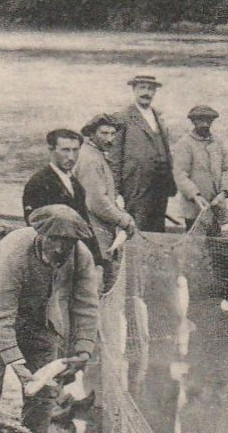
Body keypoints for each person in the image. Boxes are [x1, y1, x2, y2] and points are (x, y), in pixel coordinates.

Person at [0, 204, 101, 433]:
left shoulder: (81, 256)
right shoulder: (15, 253)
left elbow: (86, 305)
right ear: (40, 234)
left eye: (69, 242)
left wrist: (83, 351)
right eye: (54, 240)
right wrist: (16, 362)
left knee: (45, 393)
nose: (60, 248)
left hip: (40, 323)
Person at [76, 114, 138, 292]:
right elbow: (96, 202)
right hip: (94, 234)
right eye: (104, 133)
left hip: (99, 233)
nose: (110, 139)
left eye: (113, 134)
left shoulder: (96, 155)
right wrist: (124, 220)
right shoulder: (91, 159)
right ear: (91, 133)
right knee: (96, 285)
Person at [110, 74, 175, 233]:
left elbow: (165, 149)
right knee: (136, 226)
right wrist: (115, 191)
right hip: (135, 184)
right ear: (134, 90)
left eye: (151, 89)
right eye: (142, 88)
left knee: (157, 227)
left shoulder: (158, 117)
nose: (146, 92)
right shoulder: (122, 117)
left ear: (155, 92)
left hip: (159, 184)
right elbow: (115, 157)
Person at [172, 104, 228, 236]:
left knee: (216, 241)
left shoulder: (218, 143)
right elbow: (180, 174)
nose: (205, 124)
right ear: (193, 121)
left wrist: (224, 193)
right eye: (200, 120)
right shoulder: (184, 144)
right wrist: (195, 195)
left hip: (217, 205)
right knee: (194, 243)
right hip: (194, 207)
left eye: (208, 120)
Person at [22, 128, 90, 221]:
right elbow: (34, 224)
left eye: (75, 150)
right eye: (65, 150)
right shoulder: (38, 183)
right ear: (51, 150)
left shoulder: (74, 182)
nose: (71, 157)